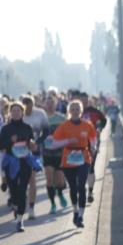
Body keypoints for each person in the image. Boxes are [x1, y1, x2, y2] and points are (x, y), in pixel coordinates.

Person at [46, 100, 98, 228]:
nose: (75, 111)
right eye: (72, 109)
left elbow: (93, 138)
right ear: (69, 111)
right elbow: (54, 144)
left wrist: (93, 146)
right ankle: (75, 210)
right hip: (68, 159)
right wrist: (68, 141)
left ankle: (80, 215)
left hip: (84, 157)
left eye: (77, 109)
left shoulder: (87, 125)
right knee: (73, 187)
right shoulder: (64, 126)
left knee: (82, 186)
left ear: (81, 111)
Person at [0, 103, 40, 232]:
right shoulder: (6, 129)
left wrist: (32, 144)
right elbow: (0, 147)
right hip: (11, 162)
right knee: (14, 191)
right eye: (13, 111)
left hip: (25, 161)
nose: (16, 113)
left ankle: (20, 220)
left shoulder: (27, 127)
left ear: (22, 112)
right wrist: (11, 141)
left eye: (18, 110)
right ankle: (16, 205)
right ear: (10, 113)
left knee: (22, 190)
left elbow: (32, 143)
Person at [21, 95, 50, 220]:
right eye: (25, 106)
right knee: (22, 181)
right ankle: (20, 204)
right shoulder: (18, 114)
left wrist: (37, 142)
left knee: (32, 178)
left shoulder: (40, 113)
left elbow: (47, 130)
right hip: (19, 152)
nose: (28, 108)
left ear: (33, 105)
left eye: (30, 105)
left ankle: (31, 208)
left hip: (34, 151)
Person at [42, 94, 69, 212]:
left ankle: (60, 194)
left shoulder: (62, 118)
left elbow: (68, 132)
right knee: (49, 178)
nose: (49, 105)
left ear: (56, 104)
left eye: (52, 102)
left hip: (60, 152)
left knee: (59, 180)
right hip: (47, 152)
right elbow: (36, 133)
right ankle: (52, 204)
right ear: (44, 104)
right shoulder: (42, 118)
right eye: (47, 103)